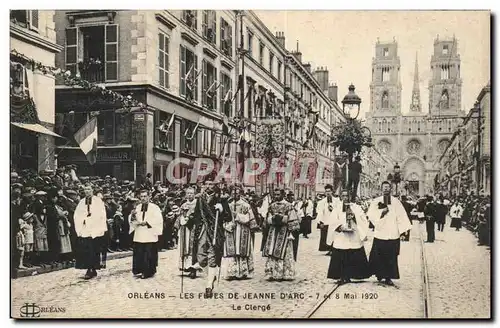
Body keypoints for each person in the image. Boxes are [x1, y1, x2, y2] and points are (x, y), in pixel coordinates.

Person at [367, 181, 412, 286]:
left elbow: (401, 216)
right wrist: (381, 213)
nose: (386, 189)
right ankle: (379, 274)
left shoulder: (396, 202)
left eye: (388, 187)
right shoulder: (376, 201)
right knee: (379, 256)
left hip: (392, 233)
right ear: (381, 189)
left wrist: (403, 231)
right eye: (384, 187)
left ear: (390, 189)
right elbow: (371, 215)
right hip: (380, 233)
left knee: (391, 256)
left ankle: (388, 277)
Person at [326, 189, 370, 284]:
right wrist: (340, 227)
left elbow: (363, 219)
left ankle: (352, 275)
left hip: (353, 235)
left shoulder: (356, 207)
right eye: (343, 196)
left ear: (350, 197)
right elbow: (333, 220)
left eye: (347, 196)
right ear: (341, 197)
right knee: (341, 254)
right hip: (341, 235)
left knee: (352, 253)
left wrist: (354, 217)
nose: (345, 198)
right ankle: (341, 276)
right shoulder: (337, 208)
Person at [262, 189, 300, 281]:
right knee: (272, 251)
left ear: (283, 195)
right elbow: (267, 219)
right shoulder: (272, 206)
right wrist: (273, 218)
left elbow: (293, 219)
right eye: (275, 194)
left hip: (284, 231)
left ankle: (285, 273)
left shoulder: (288, 206)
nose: (276, 196)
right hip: (273, 230)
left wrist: (282, 218)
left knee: (285, 252)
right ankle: (272, 272)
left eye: (278, 194)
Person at [222, 186, 258, 280]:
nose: (235, 195)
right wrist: (228, 225)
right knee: (232, 250)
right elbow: (223, 219)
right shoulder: (228, 205)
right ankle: (232, 272)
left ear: (240, 194)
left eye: (237, 193)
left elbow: (249, 219)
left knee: (241, 250)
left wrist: (237, 216)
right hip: (231, 230)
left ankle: (243, 271)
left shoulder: (245, 205)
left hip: (242, 230)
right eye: (233, 193)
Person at [73, 184, 108, 279]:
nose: (87, 191)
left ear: (92, 190)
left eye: (89, 189)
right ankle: (89, 269)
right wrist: (84, 218)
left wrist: (93, 218)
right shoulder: (81, 202)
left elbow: (101, 214)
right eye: (85, 190)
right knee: (87, 250)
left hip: (95, 229)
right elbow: (77, 215)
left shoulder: (98, 201)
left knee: (95, 249)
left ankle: (94, 268)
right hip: (85, 229)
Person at [129, 189, 163, 279]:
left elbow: (158, 220)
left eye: (145, 196)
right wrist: (132, 217)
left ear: (149, 197)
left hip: (149, 233)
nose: (143, 198)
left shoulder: (155, 208)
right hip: (140, 232)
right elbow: (133, 219)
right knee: (139, 251)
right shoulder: (137, 207)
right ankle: (139, 270)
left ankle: (148, 271)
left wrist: (147, 222)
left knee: (148, 252)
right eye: (141, 196)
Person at [316, 184, 340, 252]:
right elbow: (320, 212)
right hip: (326, 221)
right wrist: (320, 222)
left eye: (329, 191)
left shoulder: (337, 201)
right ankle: (328, 249)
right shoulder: (322, 202)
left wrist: (333, 210)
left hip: (334, 221)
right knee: (326, 236)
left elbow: (339, 211)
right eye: (326, 191)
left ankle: (333, 249)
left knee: (334, 236)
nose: (328, 193)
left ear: (332, 191)